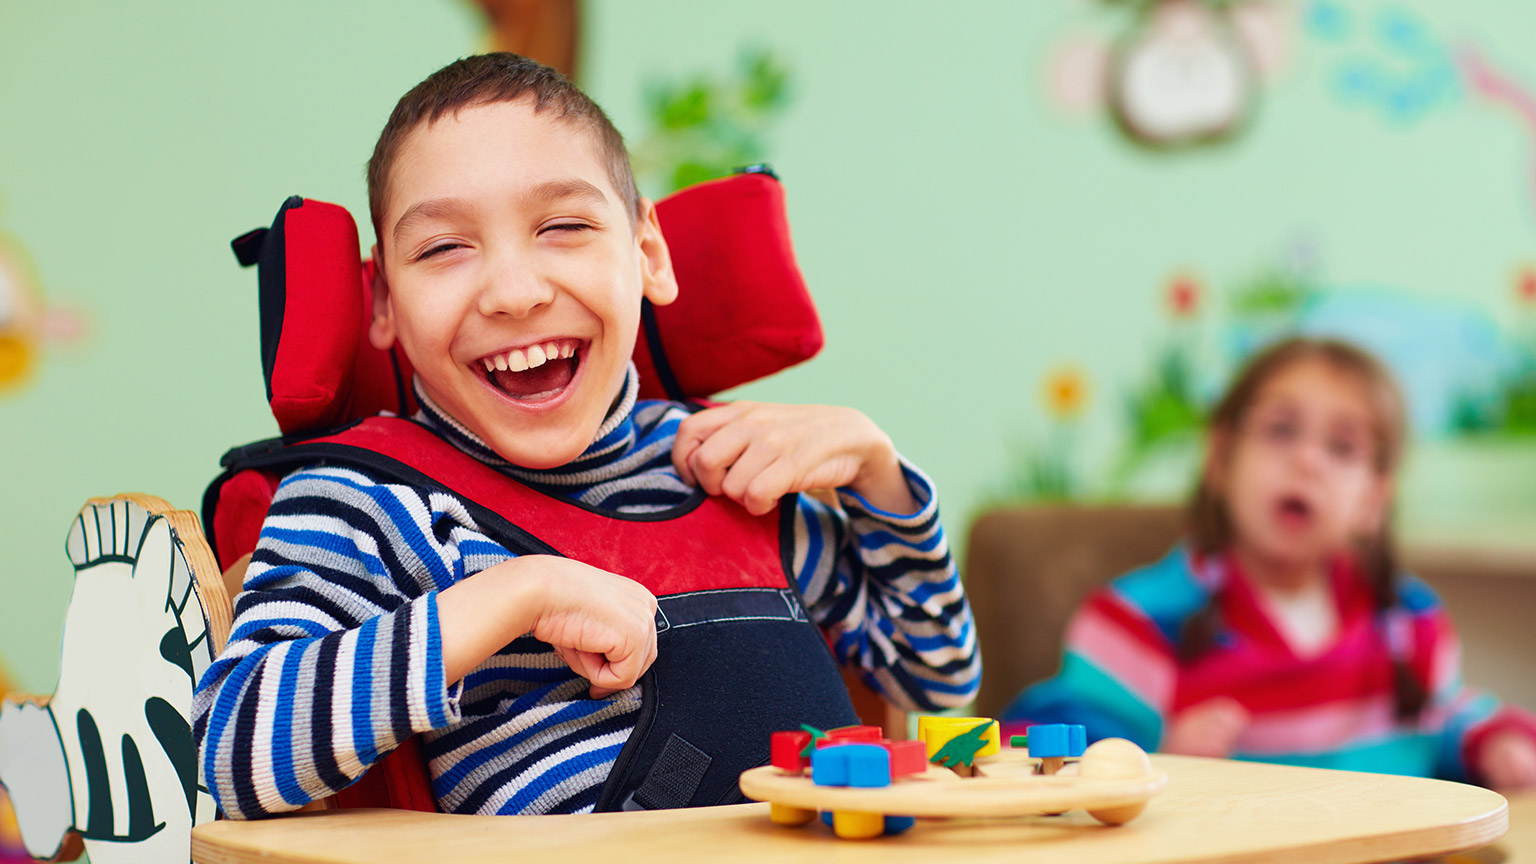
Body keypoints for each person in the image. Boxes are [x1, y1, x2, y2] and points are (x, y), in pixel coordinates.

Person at [193, 53, 979, 819]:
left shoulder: (728, 467)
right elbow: (223, 753)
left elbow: (936, 682)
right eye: (443, 248)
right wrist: (511, 595)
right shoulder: (371, 499)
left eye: (563, 226)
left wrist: (880, 474)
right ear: (384, 304)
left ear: (647, 254)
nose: (514, 292)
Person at [1003, 337, 1536, 790]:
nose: (1307, 461)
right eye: (1281, 430)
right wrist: (1156, 757)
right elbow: (1036, 748)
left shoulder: (1410, 624)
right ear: (1219, 458)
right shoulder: (1138, 621)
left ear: (1374, 499)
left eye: (1342, 447)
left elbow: (1446, 721)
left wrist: (1493, 744)